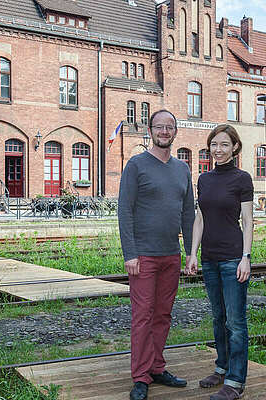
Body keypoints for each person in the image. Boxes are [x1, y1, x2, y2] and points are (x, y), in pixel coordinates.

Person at [118, 109, 195, 400]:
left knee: (163, 315)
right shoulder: (136, 165)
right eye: (159, 127)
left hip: (171, 256)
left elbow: (188, 213)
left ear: (175, 132)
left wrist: (191, 252)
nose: (164, 132)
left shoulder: (183, 169)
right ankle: (140, 376)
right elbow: (124, 211)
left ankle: (157, 367)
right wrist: (130, 253)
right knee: (142, 316)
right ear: (150, 130)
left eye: (170, 127)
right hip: (144, 257)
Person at [186, 124, 253, 400]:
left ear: (235, 147)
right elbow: (199, 218)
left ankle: (236, 381)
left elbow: (248, 221)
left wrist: (246, 258)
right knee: (218, 317)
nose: (219, 150)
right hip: (210, 259)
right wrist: (192, 253)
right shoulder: (204, 178)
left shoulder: (242, 178)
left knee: (236, 322)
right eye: (214, 144)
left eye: (224, 144)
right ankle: (222, 367)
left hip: (233, 258)